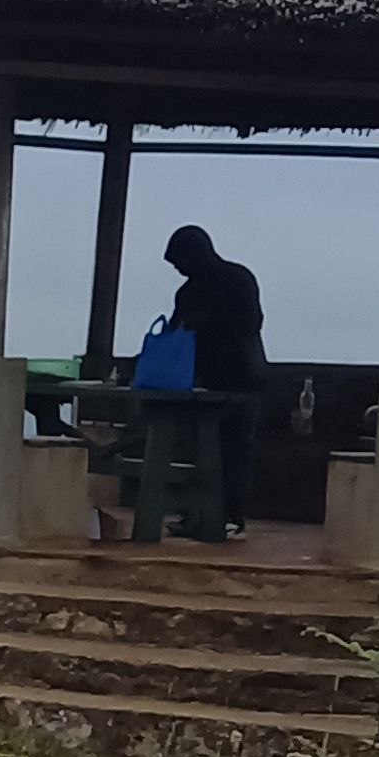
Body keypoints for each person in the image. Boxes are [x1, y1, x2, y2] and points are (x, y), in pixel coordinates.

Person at [161, 222, 267, 536]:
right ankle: (200, 514)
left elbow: (249, 323)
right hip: (205, 381)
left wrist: (201, 329)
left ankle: (229, 516)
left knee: (233, 449)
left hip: (240, 377)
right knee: (201, 449)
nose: (179, 269)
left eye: (180, 261)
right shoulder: (194, 289)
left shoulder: (236, 281)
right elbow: (176, 331)